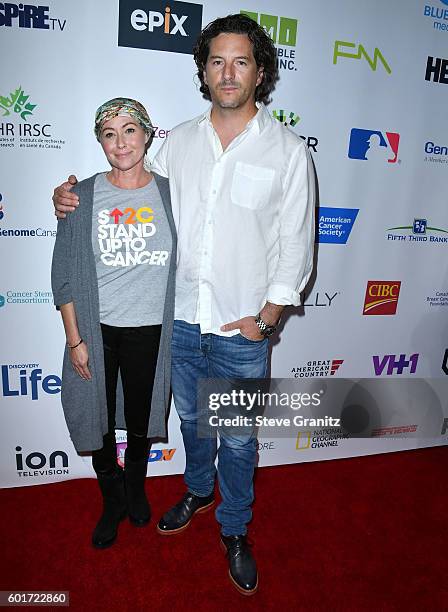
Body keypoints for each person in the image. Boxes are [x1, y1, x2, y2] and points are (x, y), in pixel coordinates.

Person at [52, 14, 315, 595]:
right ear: (203, 70)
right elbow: (134, 183)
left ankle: (235, 528)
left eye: (240, 61)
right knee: (195, 423)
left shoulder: (289, 151)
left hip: (241, 328)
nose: (228, 72)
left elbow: (296, 245)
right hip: (180, 325)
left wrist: (267, 318)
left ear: (260, 70)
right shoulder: (179, 143)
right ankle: (198, 489)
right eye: (216, 60)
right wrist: (70, 194)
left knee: (239, 438)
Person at [51, 97, 177, 550]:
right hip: (97, 331)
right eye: (109, 133)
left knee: (142, 417)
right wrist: (74, 340)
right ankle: (112, 498)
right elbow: (62, 275)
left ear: (147, 134)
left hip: (151, 331)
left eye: (129, 130)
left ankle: (136, 487)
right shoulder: (80, 196)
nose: (120, 142)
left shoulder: (171, 192)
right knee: (98, 417)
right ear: (100, 142)